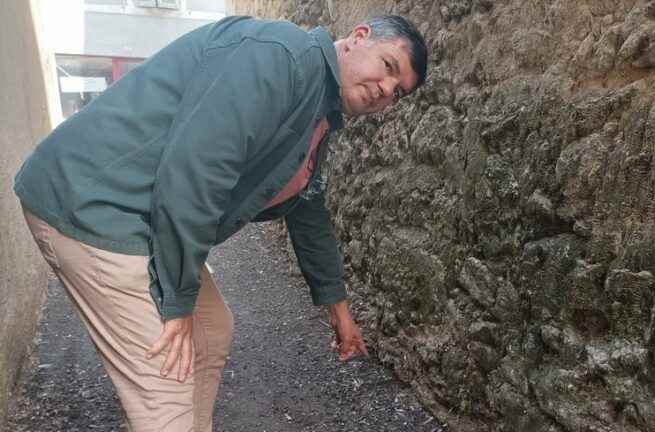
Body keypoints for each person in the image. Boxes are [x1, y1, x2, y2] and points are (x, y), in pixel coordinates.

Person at [14, 14, 428, 431]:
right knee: (167, 386)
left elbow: (308, 210)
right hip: (93, 202)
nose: (385, 91)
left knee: (211, 330)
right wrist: (176, 297)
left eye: (398, 93)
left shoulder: (319, 109)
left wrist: (339, 310)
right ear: (359, 38)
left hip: (140, 213)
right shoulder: (281, 58)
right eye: (389, 67)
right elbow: (198, 169)